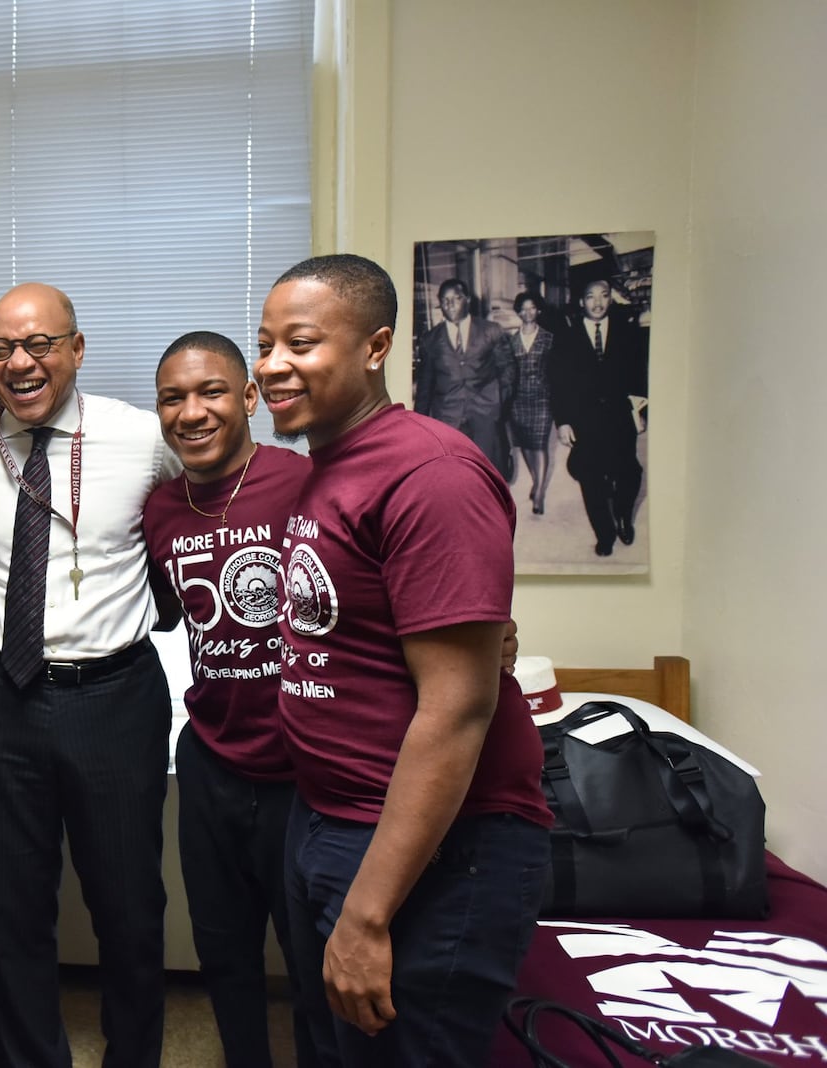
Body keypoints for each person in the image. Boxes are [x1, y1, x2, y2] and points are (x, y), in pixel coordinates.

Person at [254, 254, 552, 1067]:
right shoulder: (331, 467)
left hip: (440, 845)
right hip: (328, 816)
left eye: (302, 343)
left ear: (375, 347)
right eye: (266, 342)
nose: (273, 365)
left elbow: (458, 707)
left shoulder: (432, 473)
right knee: (333, 1046)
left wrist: (368, 915)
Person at [0, 282, 181, 1067]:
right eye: (2, 347)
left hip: (113, 695)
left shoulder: (143, 438)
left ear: (76, 349)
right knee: (12, 905)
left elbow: (214, 495)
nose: (20, 362)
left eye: (39, 344)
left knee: (129, 906)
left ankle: (134, 1056)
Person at [140, 331, 308, 1068]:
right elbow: (168, 613)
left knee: (314, 958)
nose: (191, 412)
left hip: (303, 768)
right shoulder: (160, 510)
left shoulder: (304, 481)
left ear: (247, 398)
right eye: (173, 398)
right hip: (209, 757)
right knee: (225, 954)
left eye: (210, 392)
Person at [550, 276, 650, 557]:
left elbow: (639, 374)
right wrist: (563, 421)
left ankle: (623, 515)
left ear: (610, 299)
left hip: (620, 417)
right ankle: (604, 533)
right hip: (585, 421)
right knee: (591, 479)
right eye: (591, 296)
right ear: (582, 302)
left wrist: (640, 411)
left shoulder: (627, 332)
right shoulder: (566, 337)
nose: (597, 302)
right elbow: (557, 383)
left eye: (603, 295)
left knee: (629, 473)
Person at [413, 277, 514, 475]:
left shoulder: (491, 331)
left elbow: (508, 370)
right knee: (454, 474)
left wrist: (498, 402)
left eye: (456, 298)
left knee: (490, 471)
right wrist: (419, 423)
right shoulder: (430, 340)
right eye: (445, 300)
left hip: (485, 413)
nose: (450, 304)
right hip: (448, 417)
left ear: (467, 299)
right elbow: (426, 384)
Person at [506, 291, 558, 515]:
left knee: (540, 444)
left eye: (532, 307)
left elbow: (558, 371)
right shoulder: (510, 341)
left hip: (542, 398)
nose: (528, 312)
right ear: (518, 312)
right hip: (517, 400)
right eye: (523, 308)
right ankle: (537, 480)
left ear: (538, 310)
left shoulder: (549, 338)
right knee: (525, 443)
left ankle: (539, 493)